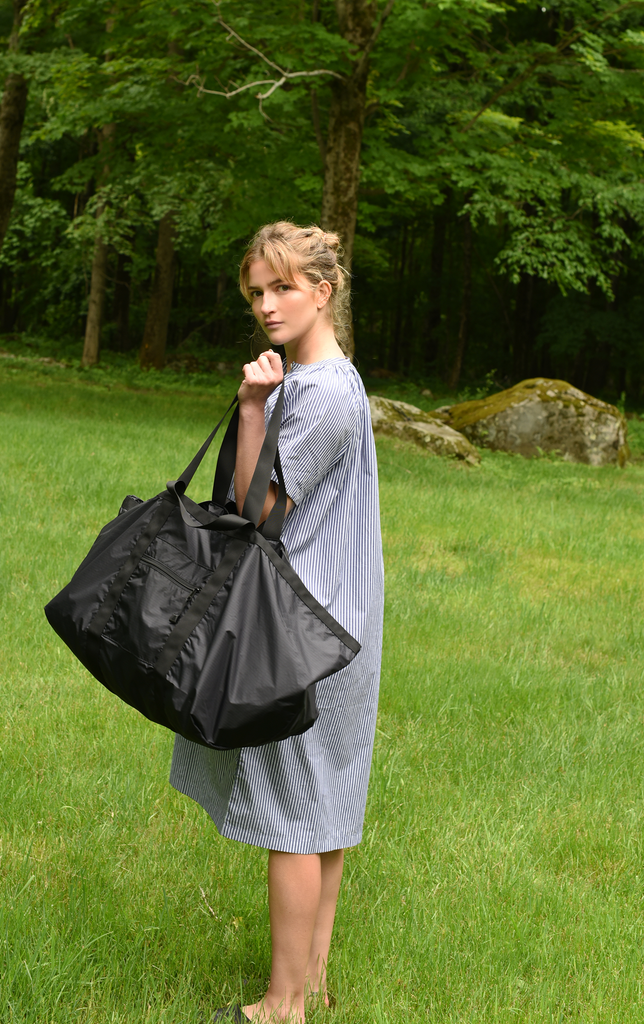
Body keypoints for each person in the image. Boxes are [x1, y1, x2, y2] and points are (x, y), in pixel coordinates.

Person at [169, 222, 384, 1023]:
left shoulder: (315, 394)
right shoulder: (338, 379)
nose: (265, 305)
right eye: (257, 292)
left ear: (322, 293)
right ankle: (313, 982)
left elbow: (259, 512)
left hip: (296, 629)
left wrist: (254, 406)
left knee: (294, 817)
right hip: (337, 620)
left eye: (283, 288)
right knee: (322, 810)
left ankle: (282, 1003)